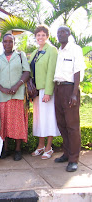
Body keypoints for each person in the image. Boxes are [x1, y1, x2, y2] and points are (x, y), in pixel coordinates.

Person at [0, 34, 30, 161]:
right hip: (2, 96)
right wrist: (2, 88)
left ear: (14, 42)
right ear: (2, 43)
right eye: (5, 41)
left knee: (17, 123)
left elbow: (27, 72)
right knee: (4, 123)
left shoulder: (20, 56)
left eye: (10, 41)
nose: (7, 44)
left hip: (17, 95)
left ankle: (18, 149)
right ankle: (5, 149)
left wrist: (17, 85)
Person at [53, 26, 86, 172]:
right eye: (58, 32)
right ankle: (66, 153)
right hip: (58, 88)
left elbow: (77, 71)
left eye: (63, 32)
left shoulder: (75, 49)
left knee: (72, 126)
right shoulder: (60, 50)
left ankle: (74, 159)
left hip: (69, 89)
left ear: (69, 34)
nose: (60, 35)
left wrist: (74, 93)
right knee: (61, 123)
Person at [29, 25, 60, 160]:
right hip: (36, 91)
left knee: (48, 118)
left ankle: (49, 147)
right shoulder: (36, 51)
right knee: (39, 119)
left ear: (47, 36)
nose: (40, 37)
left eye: (43, 35)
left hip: (46, 91)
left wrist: (48, 92)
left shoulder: (52, 50)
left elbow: (51, 72)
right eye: (38, 35)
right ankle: (40, 145)